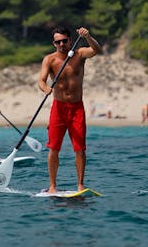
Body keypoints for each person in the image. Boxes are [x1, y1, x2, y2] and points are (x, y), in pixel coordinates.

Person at [38, 26, 102, 193]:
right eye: (58, 42)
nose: (61, 44)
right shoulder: (50, 60)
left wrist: (88, 37)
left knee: (80, 148)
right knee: (54, 148)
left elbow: (96, 49)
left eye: (64, 41)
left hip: (77, 108)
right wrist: (46, 89)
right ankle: (52, 186)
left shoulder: (79, 54)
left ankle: (80, 184)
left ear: (70, 40)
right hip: (58, 109)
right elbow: (41, 81)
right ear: (54, 43)